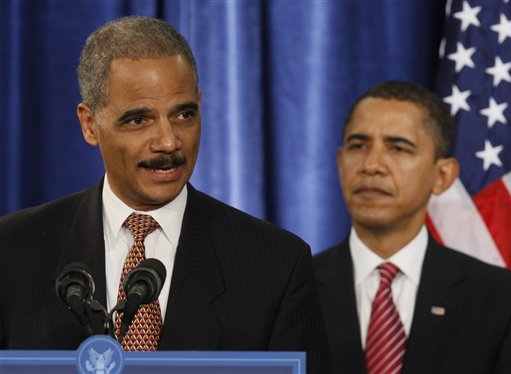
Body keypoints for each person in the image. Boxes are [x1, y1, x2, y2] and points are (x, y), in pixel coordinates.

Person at [0, 16, 330, 373]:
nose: (169, 141)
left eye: (184, 114)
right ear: (90, 124)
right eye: (138, 120)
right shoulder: (13, 250)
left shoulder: (276, 265)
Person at [314, 80, 511, 373]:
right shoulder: (292, 290)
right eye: (358, 145)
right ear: (340, 163)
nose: (371, 164)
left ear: (442, 176)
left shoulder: (501, 300)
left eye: (398, 148)